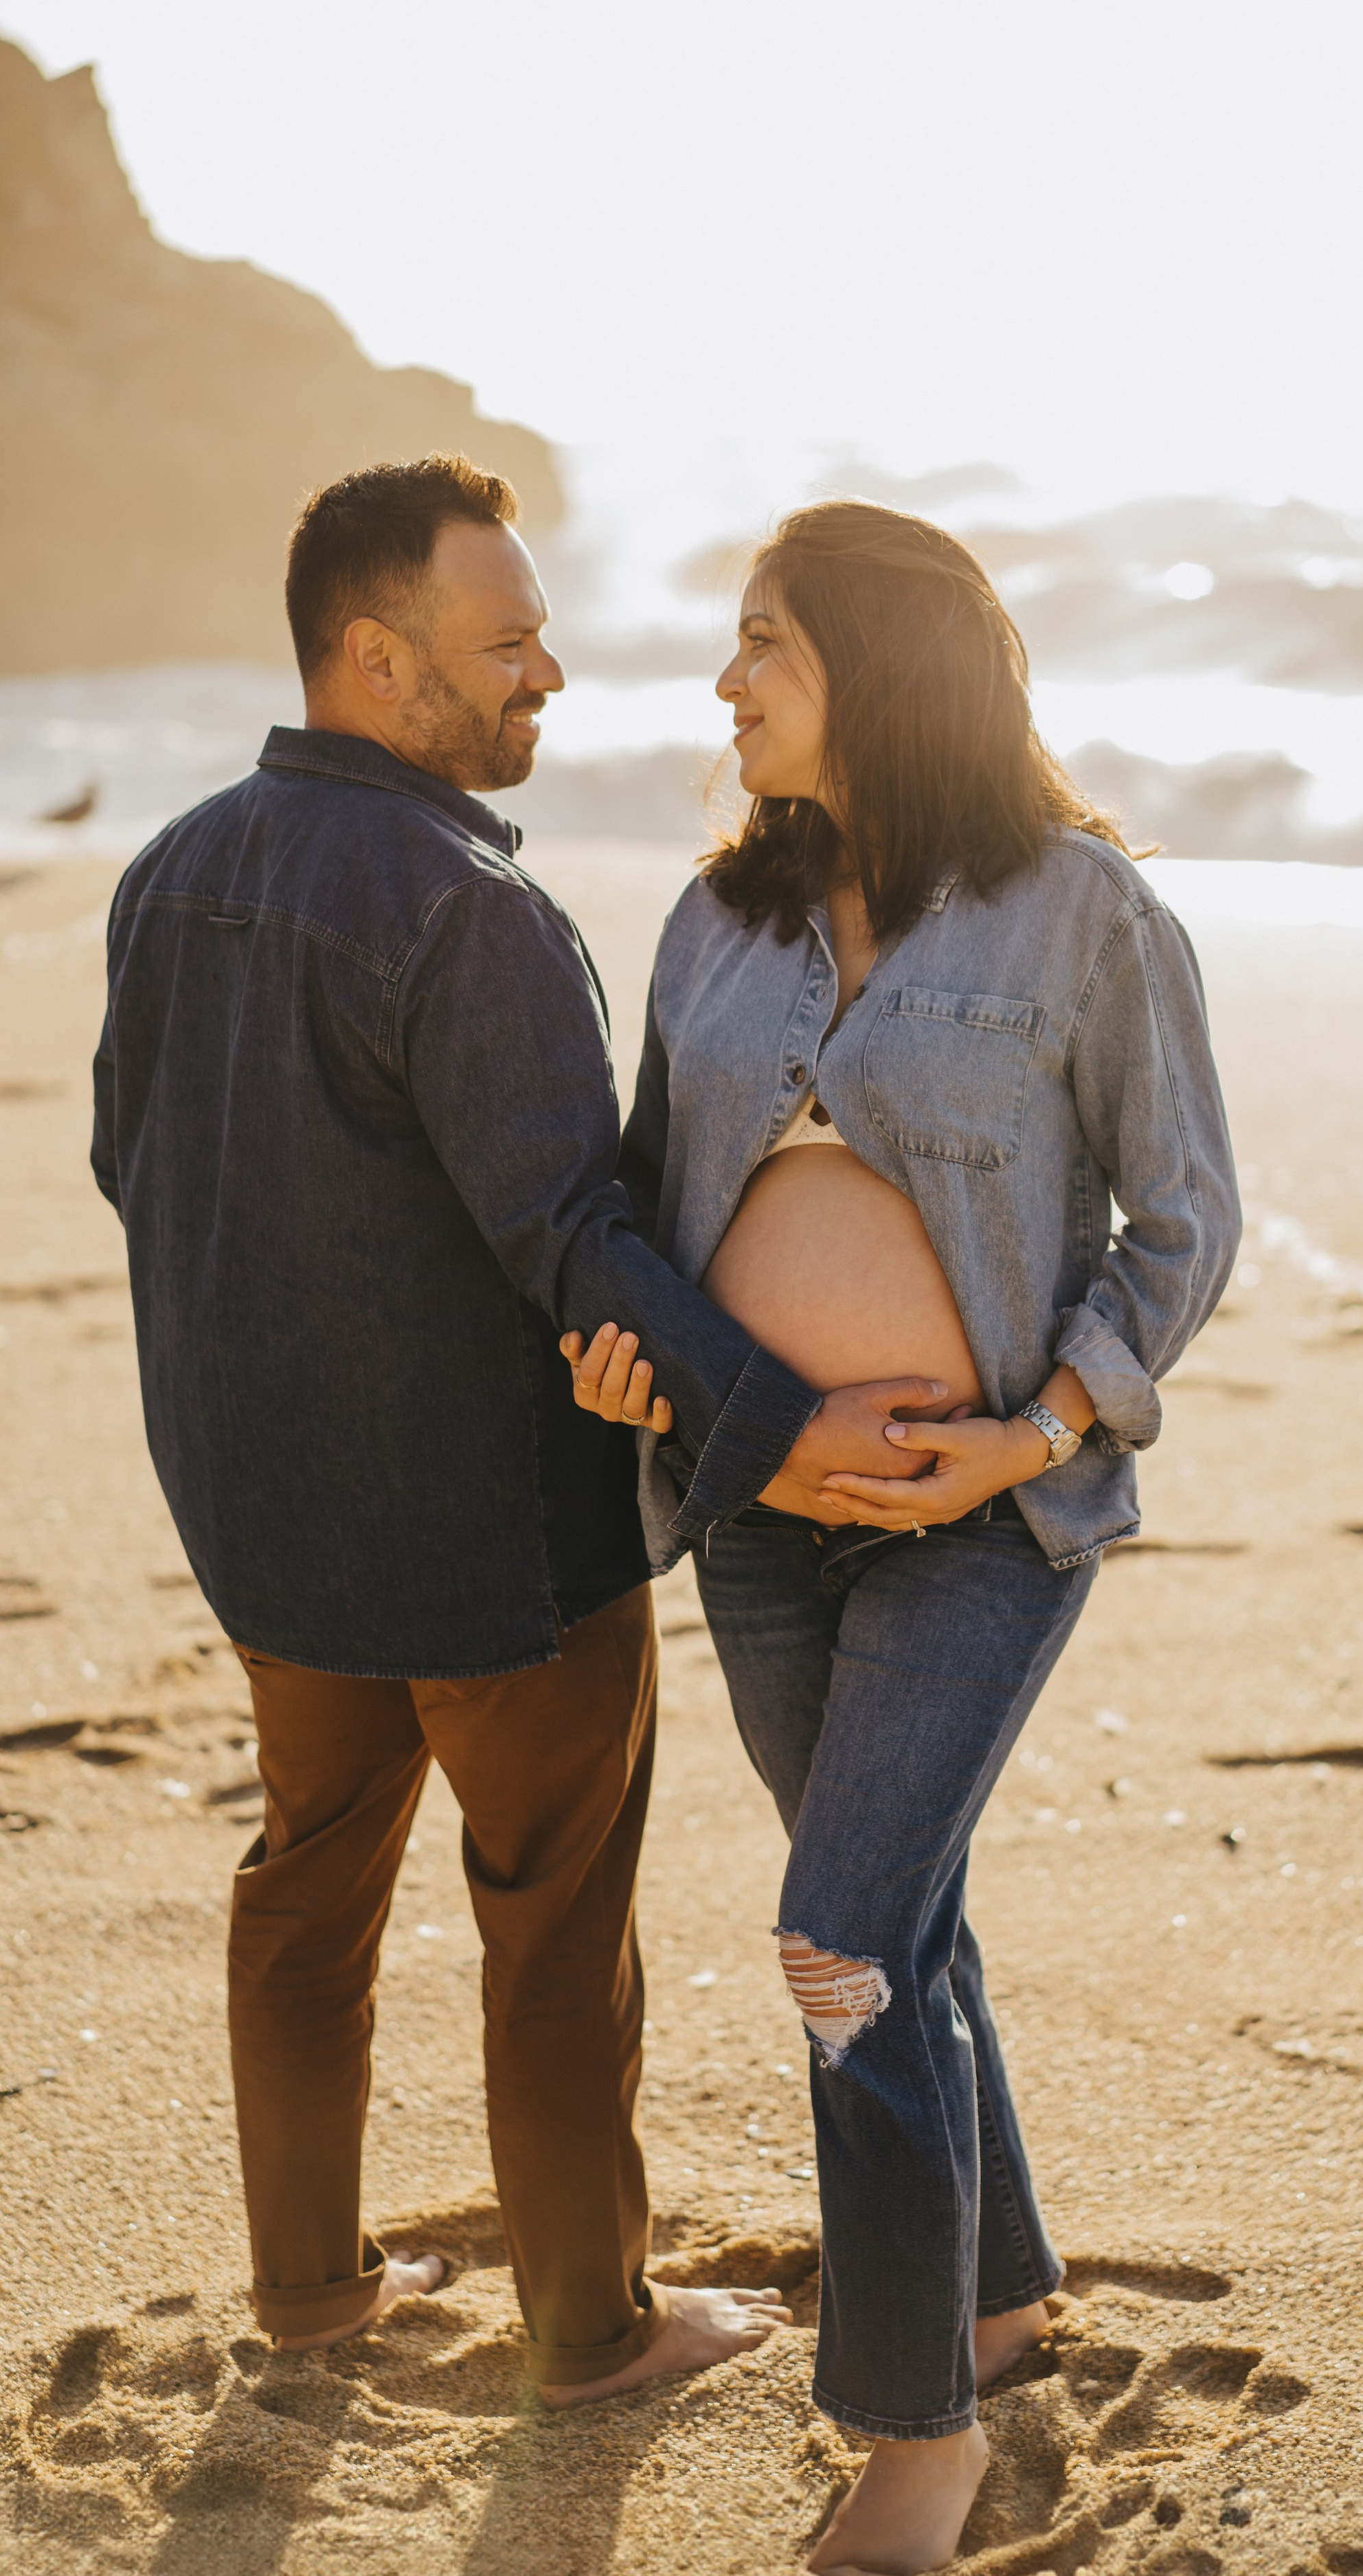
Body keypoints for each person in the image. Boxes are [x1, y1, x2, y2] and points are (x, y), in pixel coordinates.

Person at [91, 455, 929, 2406]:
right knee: (552, 1924)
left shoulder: (167, 872)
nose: (549, 670)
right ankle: (593, 2331)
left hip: (266, 1523)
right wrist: (785, 1433)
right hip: (497, 1546)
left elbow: (138, 1165)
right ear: (377, 661)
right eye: (507, 642)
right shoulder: (467, 906)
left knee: (307, 1878)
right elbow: (577, 1242)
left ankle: (305, 2294)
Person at [562, 499, 1241, 2576]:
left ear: (885, 660)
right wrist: (634, 1367)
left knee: (839, 1935)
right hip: (759, 1523)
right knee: (903, 1920)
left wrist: (1029, 1431)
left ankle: (914, 2427)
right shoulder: (712, 927)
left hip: (979, 1518)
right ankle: (1005, 2292)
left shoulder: (1079, 910)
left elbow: (1182, 1222)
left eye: (765, 638)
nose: (726, 679)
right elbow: (641, 1227)